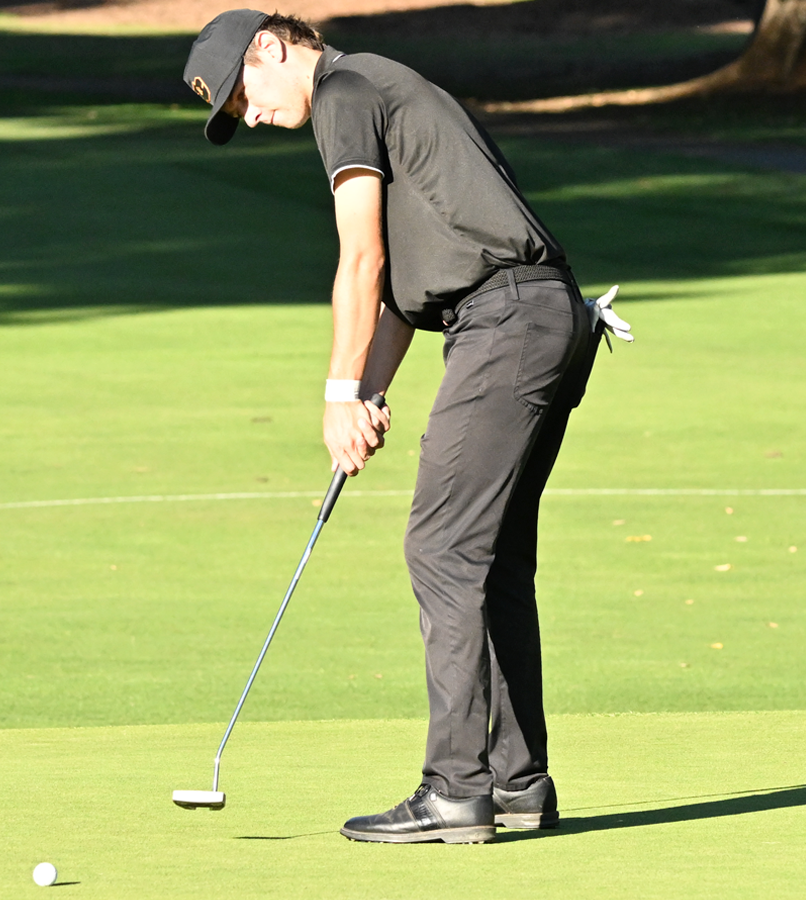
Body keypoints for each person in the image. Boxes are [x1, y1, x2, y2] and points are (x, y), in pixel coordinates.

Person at [182, 9, 629, 845]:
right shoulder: (386, 84)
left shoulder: (344, 90)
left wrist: (339, 392)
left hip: (507, 323)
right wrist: (372, 390)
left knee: (442, 549)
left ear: (271, 49)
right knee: (489, 559)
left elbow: (361, 261)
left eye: (245, 95)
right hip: (544, 318)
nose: (252, 115)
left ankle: (456, 788)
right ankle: (518, 784)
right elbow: (399, 295)